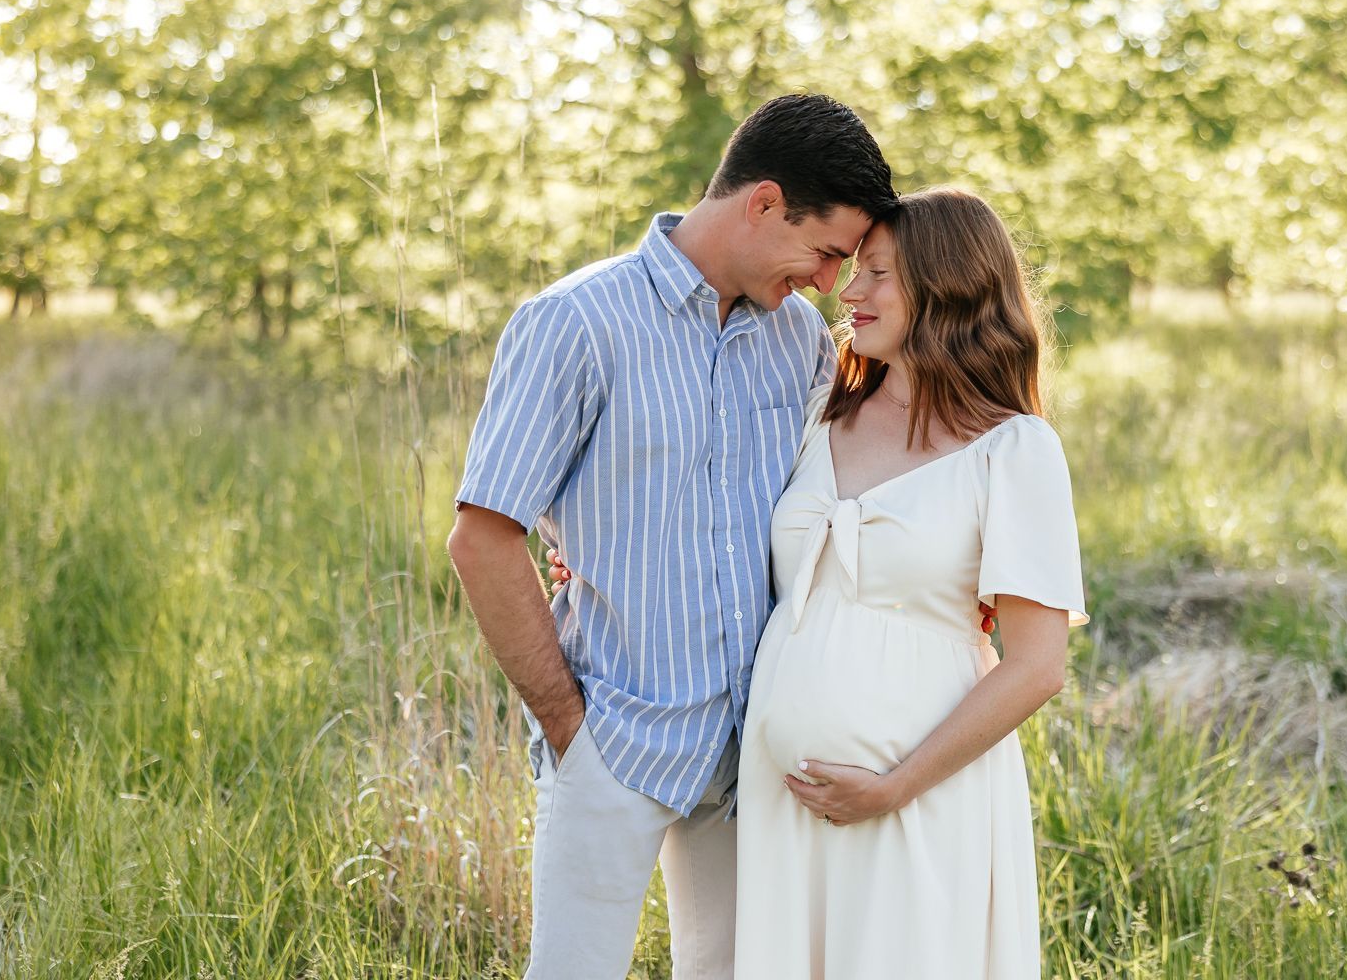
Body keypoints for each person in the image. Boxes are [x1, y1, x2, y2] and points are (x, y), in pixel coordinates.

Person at [444, 93, 897, 980]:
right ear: (764, 203)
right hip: (617, 735)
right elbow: (482, 535)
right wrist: (569, 725)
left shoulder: (798, 337)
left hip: (755, 754)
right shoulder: (576, 321)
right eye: (828, 252)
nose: (829, 281)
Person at [733, 186, 1088, 979]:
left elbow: (1037, 666)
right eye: (854, 270)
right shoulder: (820, 408)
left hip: (921, 800)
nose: (849, 292)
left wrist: (895, 787)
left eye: (879, 274)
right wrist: (584, 553)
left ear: (949, 286)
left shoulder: (1014, 450)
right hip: (779, 797)